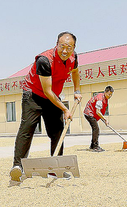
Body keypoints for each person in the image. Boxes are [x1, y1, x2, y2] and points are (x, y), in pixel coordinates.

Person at [10, 32, 82, 181]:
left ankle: (56, 168)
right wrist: (65, 109)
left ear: (74, 48)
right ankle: (18, 166)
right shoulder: (44, 60)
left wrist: (77, 91)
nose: (64, 51)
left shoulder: (73, 58)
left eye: (69, 47)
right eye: (62, 46)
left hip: (52, 97)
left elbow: (75, 72)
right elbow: (47, 91)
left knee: (58, 130)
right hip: (34, 95)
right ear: (56, 44)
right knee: (27, 128)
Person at [84, 86, 114, 152]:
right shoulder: (100, 99)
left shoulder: (104, 98)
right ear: (105, 92)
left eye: (111, 94)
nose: (110, 96)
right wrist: (105, 120)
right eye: (109, 94)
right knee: (96, 129)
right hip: (89, 113)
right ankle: (95, 146)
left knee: (95, 129)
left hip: (92, 113)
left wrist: (103, 119)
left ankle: (92, 145)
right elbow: (98, 111)